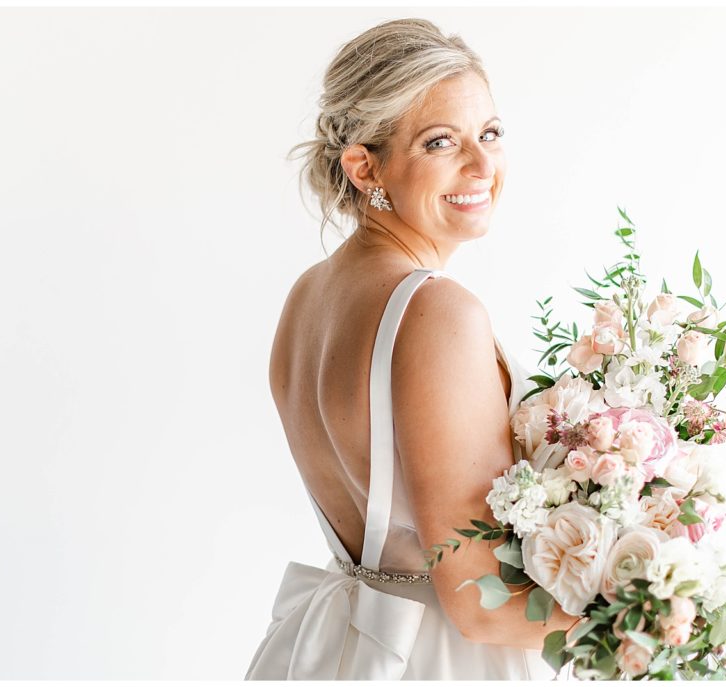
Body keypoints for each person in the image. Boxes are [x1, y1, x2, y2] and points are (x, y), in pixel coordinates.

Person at [244, 18, 577, 680]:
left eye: (490, 133)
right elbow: (479, 604)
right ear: (364, 166)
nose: (481, 165)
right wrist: (661, 607)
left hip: (342, 652)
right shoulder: (437, 313)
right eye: (440, 142)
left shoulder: (308, 297)